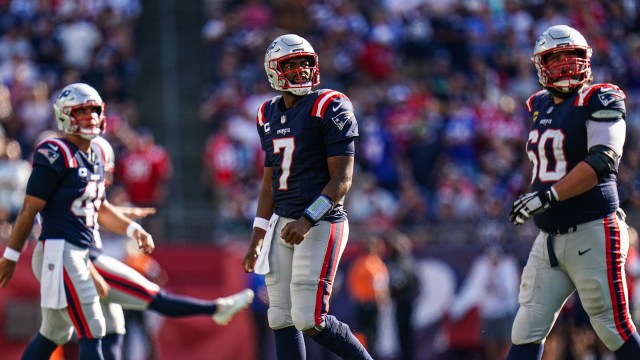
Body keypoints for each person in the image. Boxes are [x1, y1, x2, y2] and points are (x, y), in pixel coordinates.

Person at [508, 25, 640, 359]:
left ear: (586, 60)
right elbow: (551, 165)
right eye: (557, 59)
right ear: (540, 65)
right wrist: (537, 195)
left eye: (573, 58)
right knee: (525, 329)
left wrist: (547, 196)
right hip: (548, 238)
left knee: (613, 329)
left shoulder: (600, 96)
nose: (566, 66)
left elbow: (603, 159)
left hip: (593, 229)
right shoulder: (537, 104)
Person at [0, 83, 155, 360]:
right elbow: (28, 209)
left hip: (84, 253)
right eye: (81, 112)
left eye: (93, 111)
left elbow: (101, 207)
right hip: (60, 252)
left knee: (57, 333)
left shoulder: (96, 155)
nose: (89, 118)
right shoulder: (54, 152)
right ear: (64, 116)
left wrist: (132, 228)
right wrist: (11, 255)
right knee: (89, 329)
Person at [242, 34, 371, 359]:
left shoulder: (331, 104)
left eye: (305, 63)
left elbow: (342, 179)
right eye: (291, 64)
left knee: (309, 318)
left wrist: (306, 219)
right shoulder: (266, 113)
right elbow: (270, 180)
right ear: (274, 70)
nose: (300, 71)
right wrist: (258, 234)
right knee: (280, 318)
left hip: (320, 222)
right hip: (283, 223)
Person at [88, 135, 255, 360]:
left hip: (79, 263)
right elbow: (86, 220)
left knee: (62, 332)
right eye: (104, 169)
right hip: (81, 264)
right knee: (152, 299)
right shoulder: (78, 188)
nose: (107, 177)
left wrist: (133, 229)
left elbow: (100, 212)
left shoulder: (86, 193)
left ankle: (215, 309)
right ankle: (214, 309)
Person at [346, 234, 389, 357]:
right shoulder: (374, 264)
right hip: (371, 303)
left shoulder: (358, 263)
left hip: (361, 302)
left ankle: (361, 355)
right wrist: (382, 303)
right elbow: (379, 287)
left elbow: (352, 283)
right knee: (371, 334)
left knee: (362, 333)